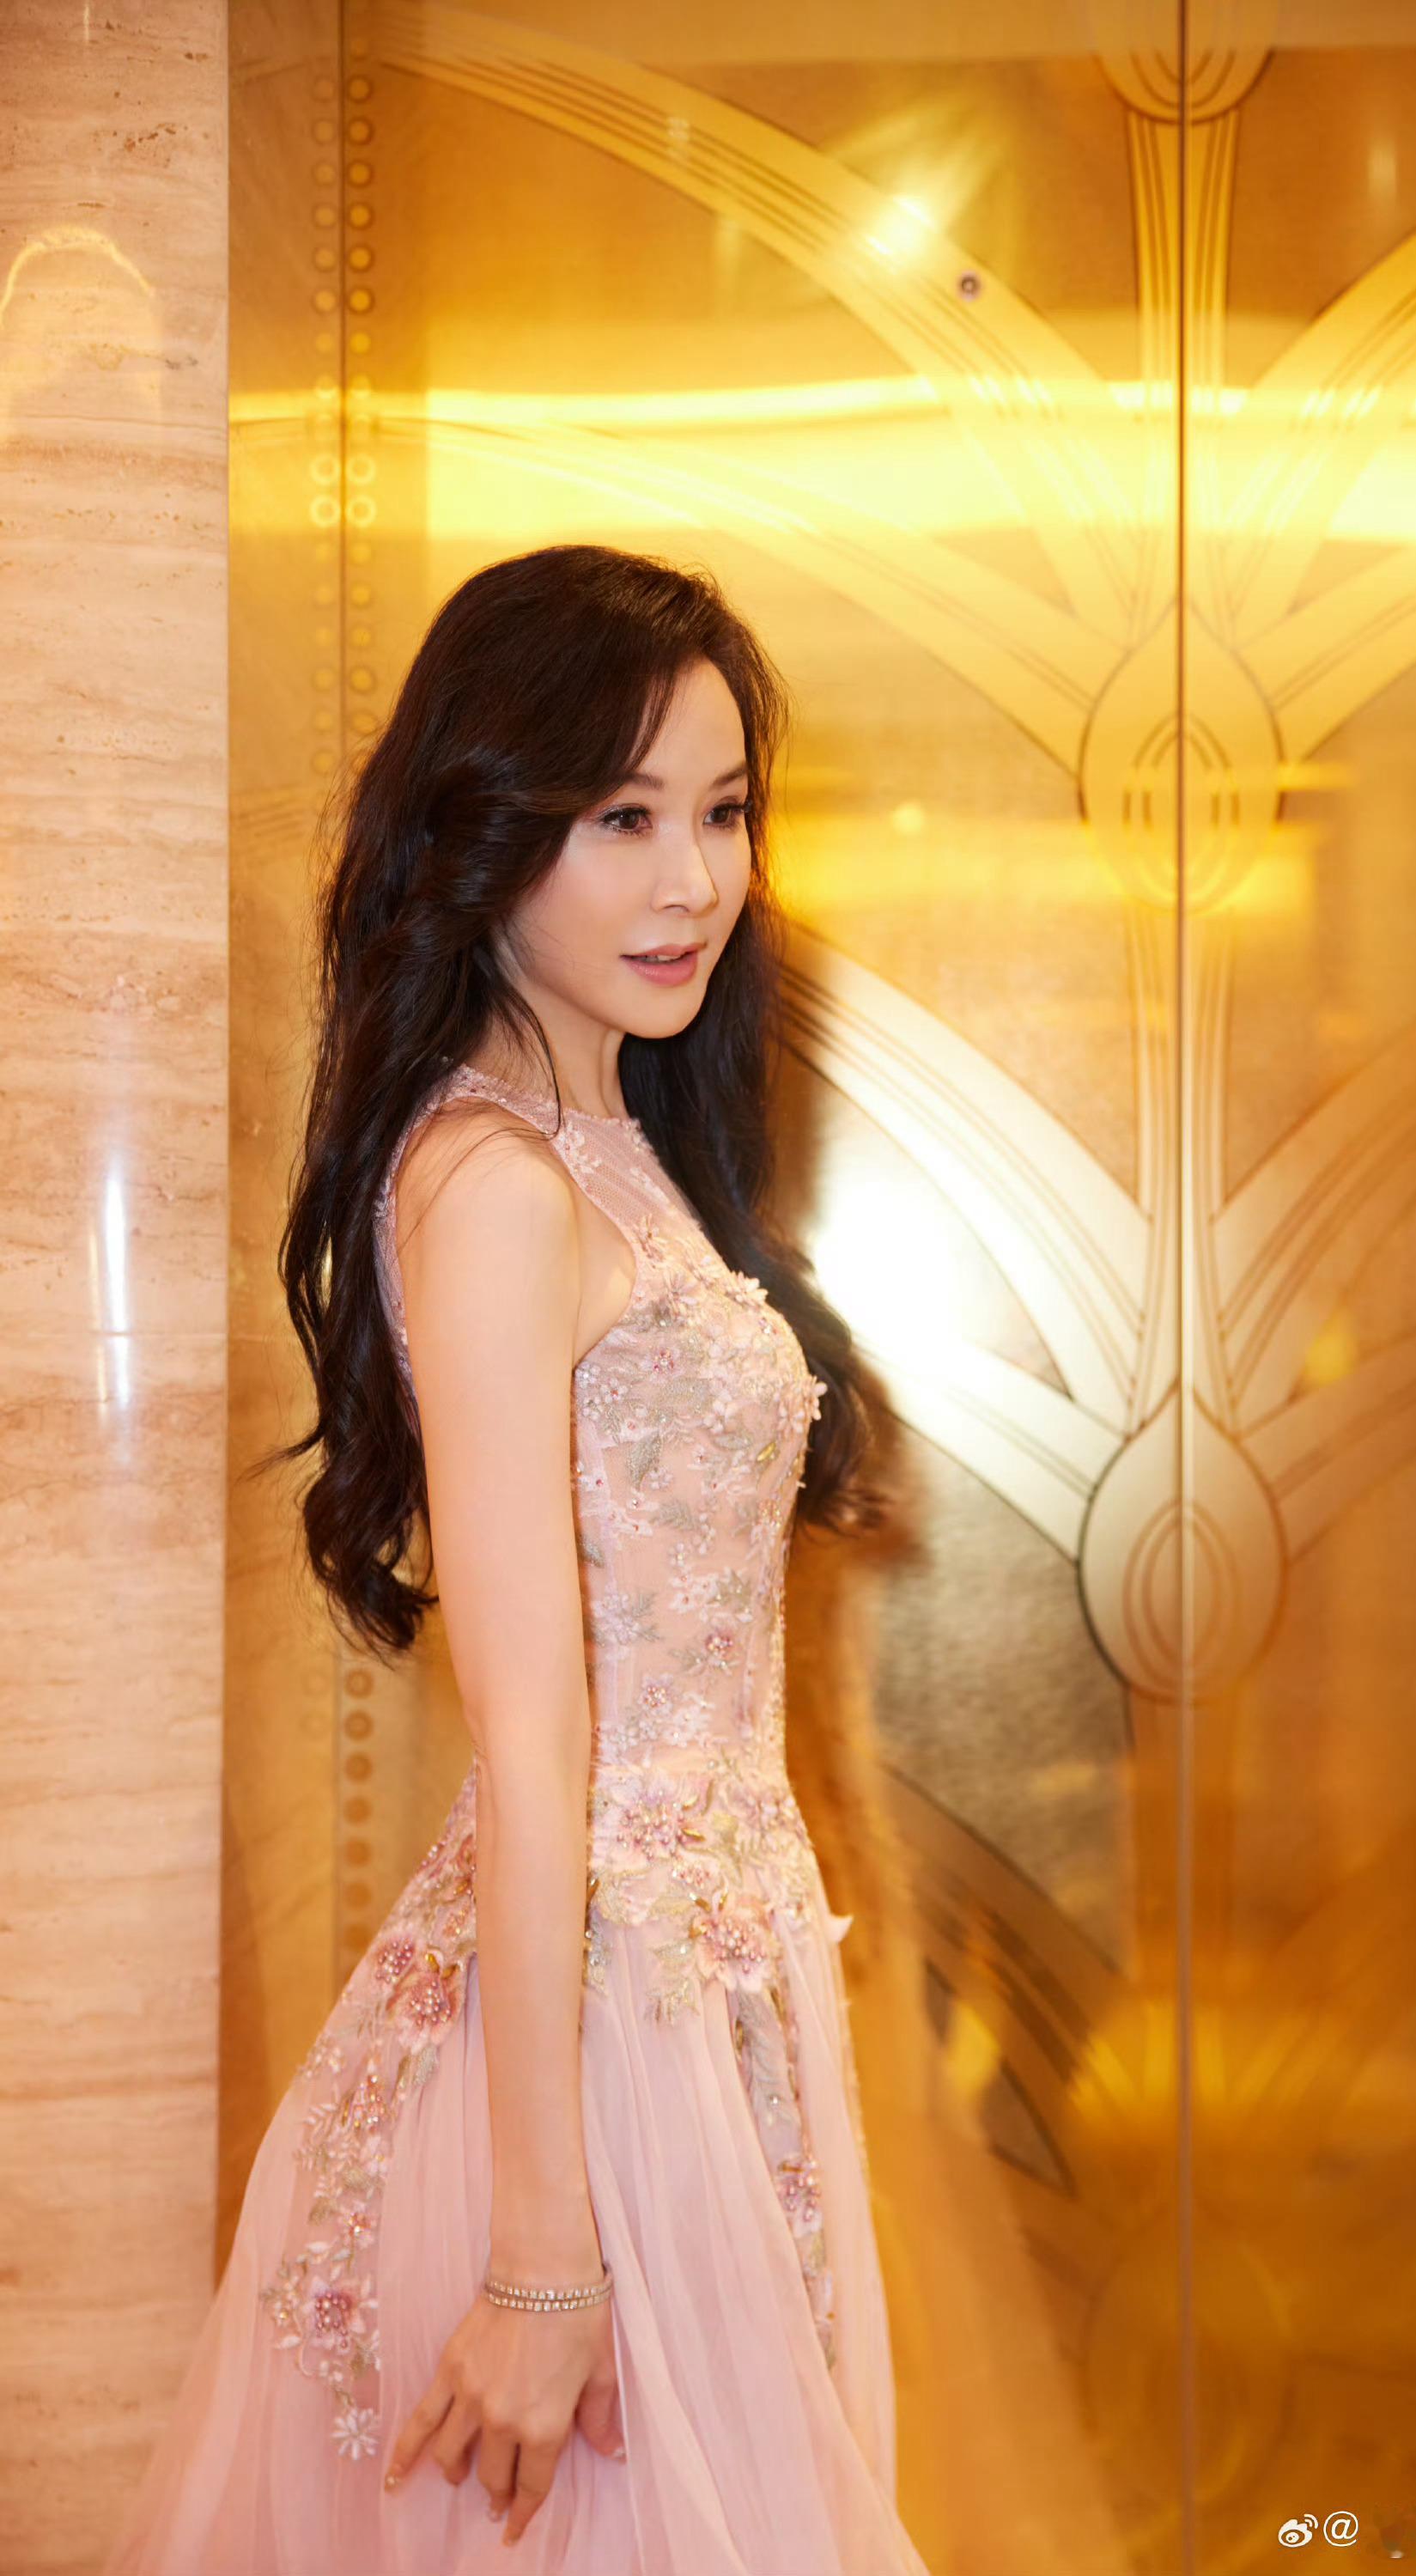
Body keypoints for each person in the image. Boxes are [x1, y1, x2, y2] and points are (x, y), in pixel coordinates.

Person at [102, 544, 935, 2576]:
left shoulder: (620, 1142)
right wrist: (544, 2244)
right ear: (486, 832)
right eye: (618, 818)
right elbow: (536, 1733)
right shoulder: (488, 1180)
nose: (691, 882)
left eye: (721, 813)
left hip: (699, 1973)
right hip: (595, 2021)